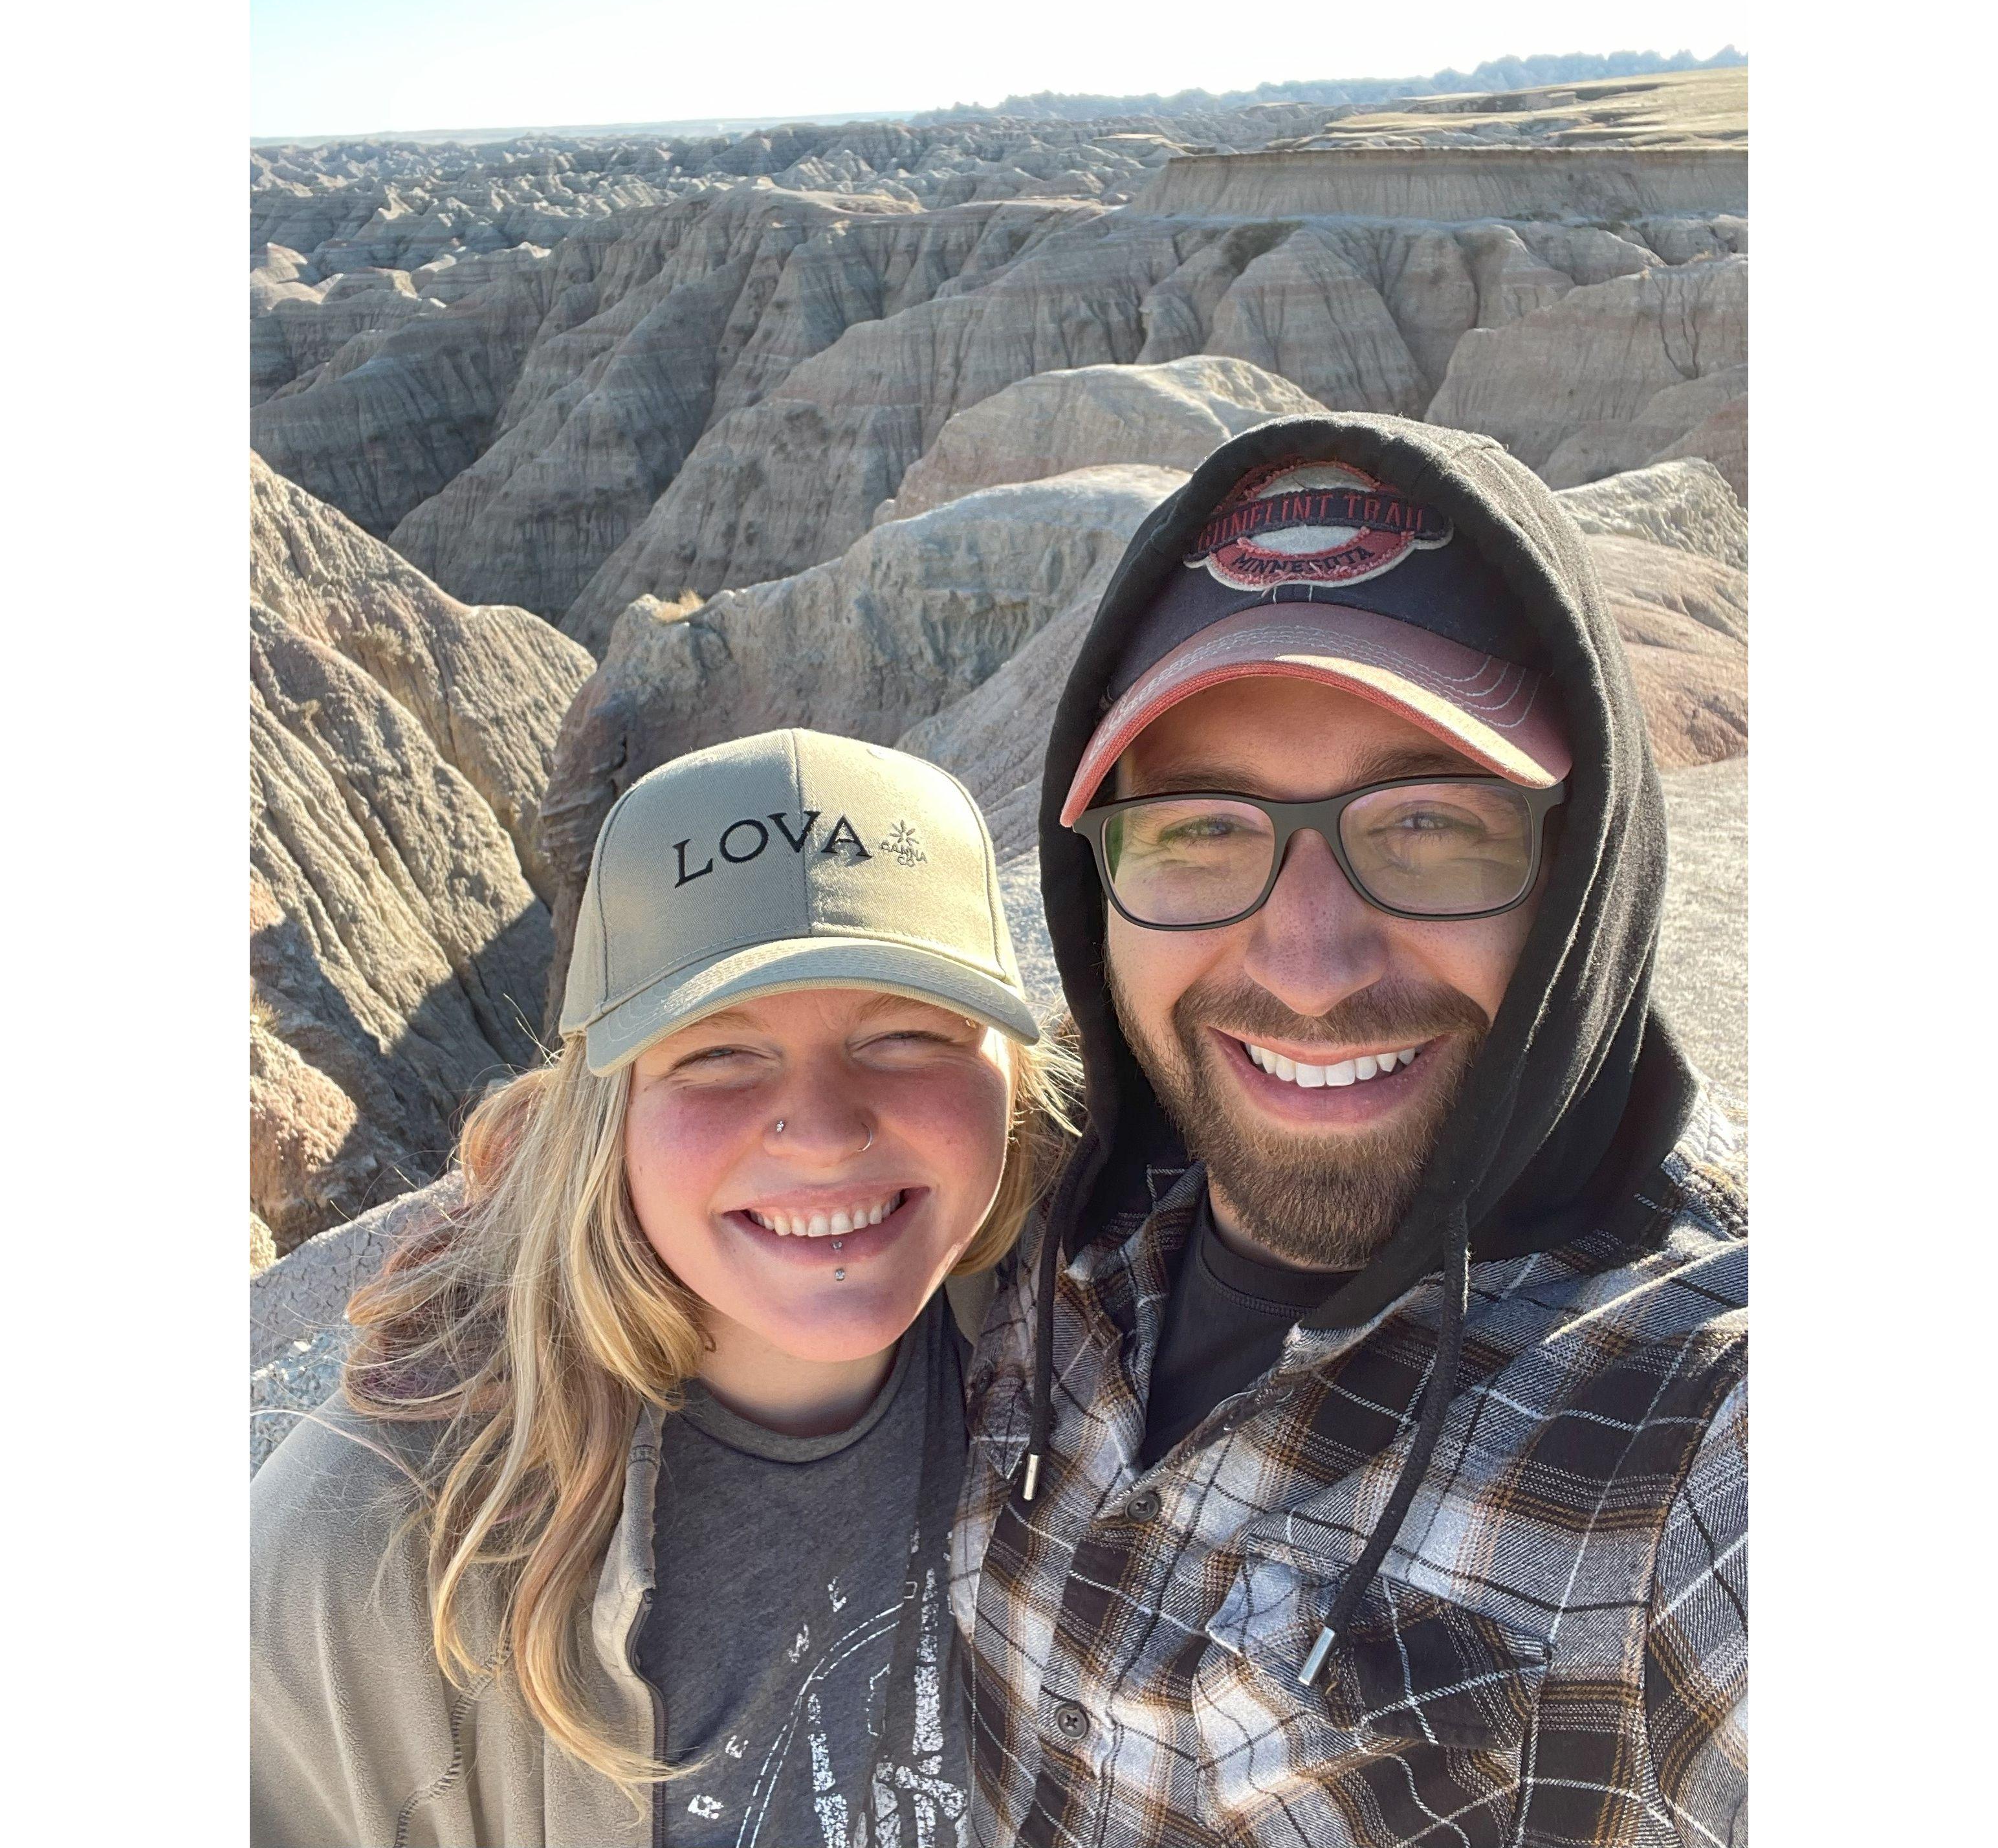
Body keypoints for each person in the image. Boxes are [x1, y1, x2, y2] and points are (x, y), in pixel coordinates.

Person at [950, 418, 1748, 1847]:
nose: (1310, 963)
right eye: (1198, 830)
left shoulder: (1690, 1434)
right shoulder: (1025, 1231)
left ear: (1578, 871)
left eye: (1431, 824)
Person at [251, 727, 1073, 1848]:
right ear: (609, 1110)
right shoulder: (375, 1547)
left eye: (906, 1035)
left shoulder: (1101, 1336)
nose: (826, 1132)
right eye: (718, 1055)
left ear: (1011, 1082)